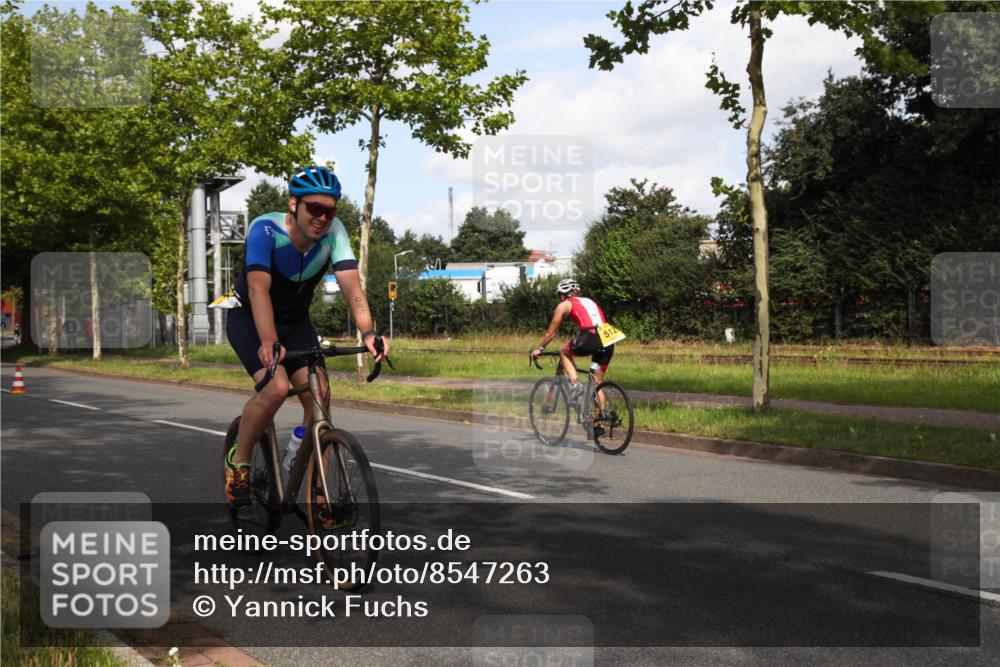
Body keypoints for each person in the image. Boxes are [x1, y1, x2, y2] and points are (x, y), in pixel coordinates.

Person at [224, 165, 389, 508]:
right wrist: (269, 342)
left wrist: (370, 331)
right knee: (277, 388)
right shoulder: (265, 230)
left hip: (295, 322)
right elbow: (258, 290)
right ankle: (238, 463)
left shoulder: (335, 233)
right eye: (314, 208)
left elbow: (352, 287)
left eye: (330, 210)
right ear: (293, 205)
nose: (322, 218)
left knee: (320, 397)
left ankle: (319, 497)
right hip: (251, 319)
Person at [530, 279, 623, 406]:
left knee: (564, 353)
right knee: (597, 384)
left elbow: (551, 333)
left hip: (591, 335)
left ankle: (575, 386)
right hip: (608, 337)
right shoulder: (589, 301)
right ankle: (598, 423)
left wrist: (540, 348)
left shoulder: (564, 304)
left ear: (562, 294)